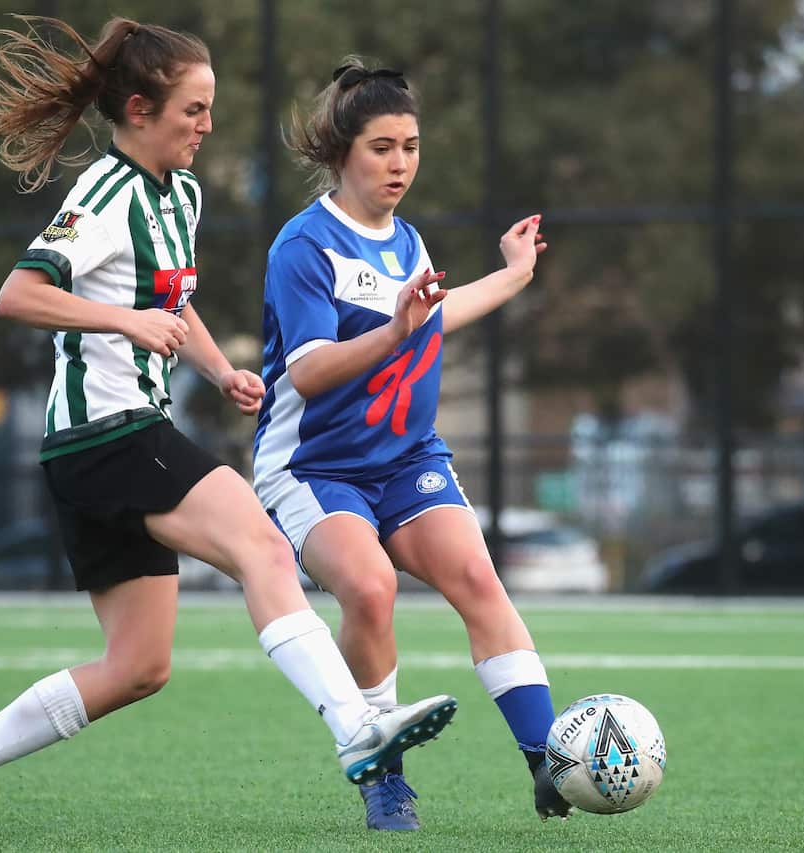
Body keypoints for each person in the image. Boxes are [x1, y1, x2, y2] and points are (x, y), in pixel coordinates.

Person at [0, 20, 456, 837]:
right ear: (139, 109)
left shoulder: (180, 194)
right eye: (193, 110)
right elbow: (18, 295)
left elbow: (172, 300)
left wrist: (217, 368)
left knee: (138, 666)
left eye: (209, 108)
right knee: (264, 548)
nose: (206, 125)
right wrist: (124, 322)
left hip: (109, 444)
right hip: (107, 432)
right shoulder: (104, 196)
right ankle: (357, 731)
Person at [253, 58, 569, 831]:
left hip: (405, 458)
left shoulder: (406, 240)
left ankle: (549, 760)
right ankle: (383, 775)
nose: (400, 163)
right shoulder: (303, 247)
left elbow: (432, 317)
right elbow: (311, 370)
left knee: (478, 577)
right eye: (382, 147)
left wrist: (514, 274)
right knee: (369, 589)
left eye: (411, 146)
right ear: (341, 151)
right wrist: (394, 328)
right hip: (313, 467)